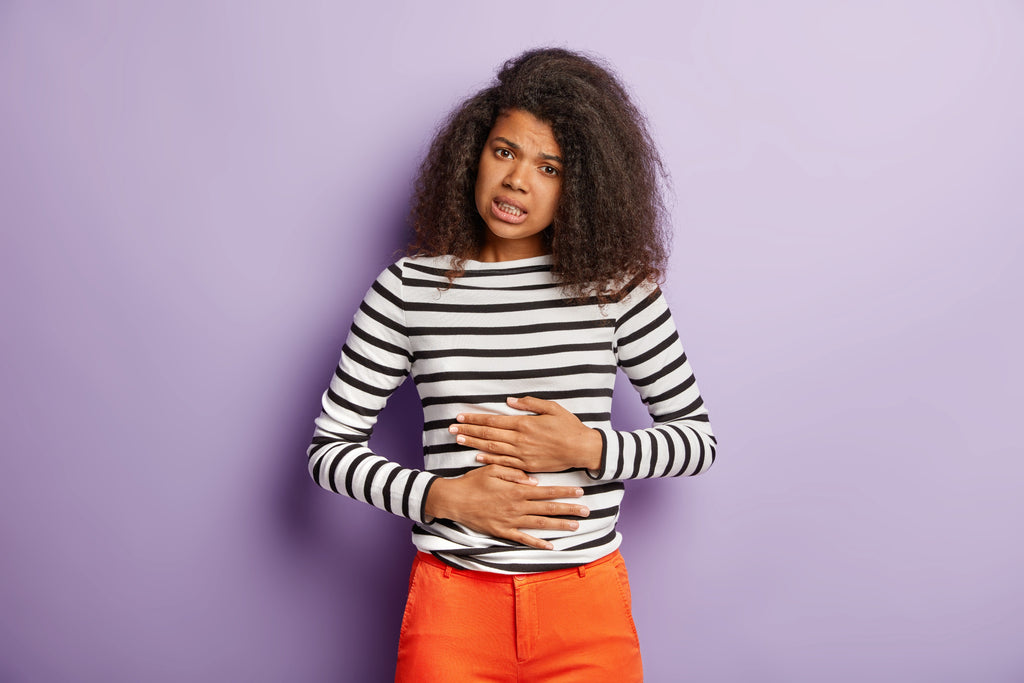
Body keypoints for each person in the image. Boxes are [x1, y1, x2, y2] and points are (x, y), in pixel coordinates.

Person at [307, 47, 716, 682]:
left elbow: (696, 441)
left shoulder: (616, 288)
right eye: (504, 151)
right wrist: (445, 497)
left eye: (548, 166)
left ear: (582, 184)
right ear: (473, 153)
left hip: (585, 607)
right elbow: (328, 450)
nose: (517, 180)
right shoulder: (408, 289)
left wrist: (587, 447)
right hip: (453, 606)